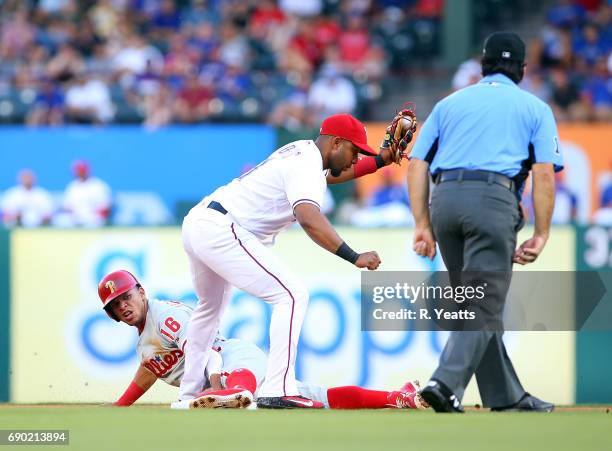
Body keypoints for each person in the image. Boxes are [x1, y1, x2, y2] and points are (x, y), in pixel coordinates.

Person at [179, 113, 407, 409]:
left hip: (199, 222)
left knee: (209, 309)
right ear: (336, 143)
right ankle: (278, 388)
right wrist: (354, 256)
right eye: (355, 151)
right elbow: (309, 218)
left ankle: (188, 393)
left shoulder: (304, 153)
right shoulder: (306, 165)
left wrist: (380, 160)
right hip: (223, 229)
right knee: (291, 295)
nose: (356, 159)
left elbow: (335, 175)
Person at [407, 32, 563, 413]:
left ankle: (506, 396)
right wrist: (542, 233)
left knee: (475, 305)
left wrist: (422, 224)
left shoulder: (449, 103)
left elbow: (416, 163)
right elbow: (544, 174)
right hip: (493, 201)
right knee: (484, 304)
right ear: (522, 70)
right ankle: (443, 383)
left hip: (444, 202)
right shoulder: (535, 108)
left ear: (482, 65)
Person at [97, 270, 428, 410]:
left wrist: (215, 385)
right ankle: (401, 396)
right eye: (115, 305)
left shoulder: (164, 315)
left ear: (141, 291)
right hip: (232, 376)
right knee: (321, 397)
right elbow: (150, 368)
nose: (123, 306)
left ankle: (234, 394)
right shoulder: (145, 341)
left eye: (126, 297)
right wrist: (120, 406)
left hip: (233, 361)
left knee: (242, 391)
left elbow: (204, 352)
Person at [59, 160, 112, 227]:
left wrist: (91, 215)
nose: (80, 173)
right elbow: (66, 206)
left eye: (82, 170)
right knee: (61, 220)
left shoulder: (98, 185)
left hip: (93, 218)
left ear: (87, 171)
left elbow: (106, 207)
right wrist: (75, 214)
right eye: (78, 171)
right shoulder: (72, 186)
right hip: (75, 218)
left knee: (94, 221)